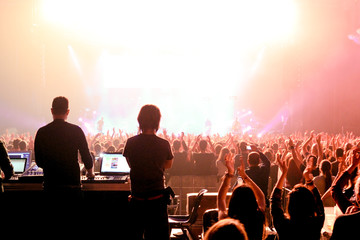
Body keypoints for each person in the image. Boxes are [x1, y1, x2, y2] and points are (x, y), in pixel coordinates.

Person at [34, 96, 94, 224]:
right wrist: (90, 172)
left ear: (52, 111)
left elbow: (39, 161)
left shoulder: (42, 132)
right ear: (67, 112)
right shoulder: (76, 130)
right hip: (72, 188)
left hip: (51, 188)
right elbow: (86, 157)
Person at [123, 104, 174, 240]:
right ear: (157, 121)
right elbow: (168, 165)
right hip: (157, 201)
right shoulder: (164, 144)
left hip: (137, 199)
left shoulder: (131, 142)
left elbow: (130, 164)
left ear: (139, 120)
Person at [270, 153, 325, 240]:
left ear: (290, 205)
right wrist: (308, 179)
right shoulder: (315, 224)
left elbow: (274, 200)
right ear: (310, 204)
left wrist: (284, 173)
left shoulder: (283, 225)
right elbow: (319, 201)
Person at [217, 152, 266, 240]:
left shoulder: (227, 220)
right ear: (252, 200)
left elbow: (221, 198)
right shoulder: (259, 216)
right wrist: (245, 176)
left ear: (233, 200)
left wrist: (230, 174)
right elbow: (261, 197)